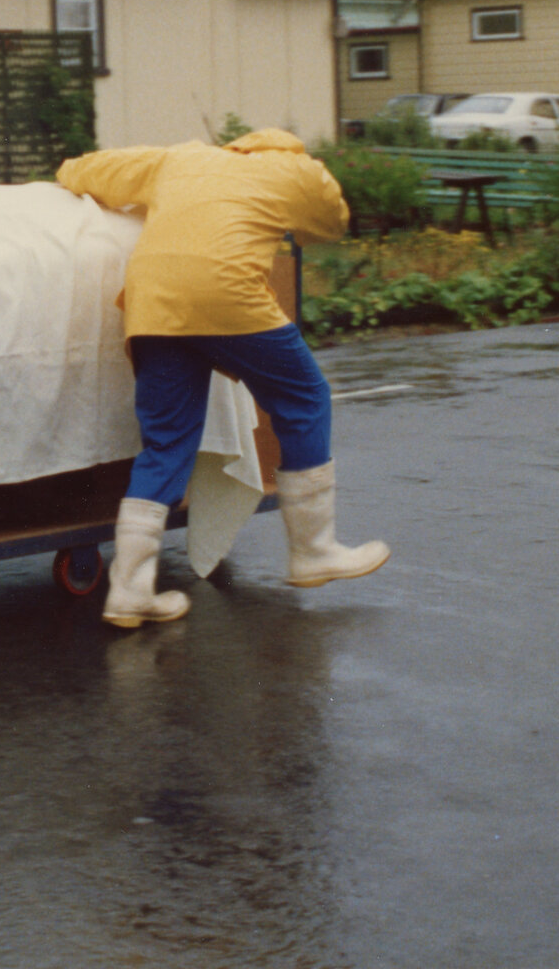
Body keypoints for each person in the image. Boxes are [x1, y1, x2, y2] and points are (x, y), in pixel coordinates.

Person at [56, 128, 389, 627]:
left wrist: (68, 172)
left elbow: (86, 171)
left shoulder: (178, 157)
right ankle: (313, 550)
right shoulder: (295, 167)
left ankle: (129, 591)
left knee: (167, 440)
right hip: (226, 292)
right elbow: (330, 222)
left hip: (153, 300)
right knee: (306, 397)